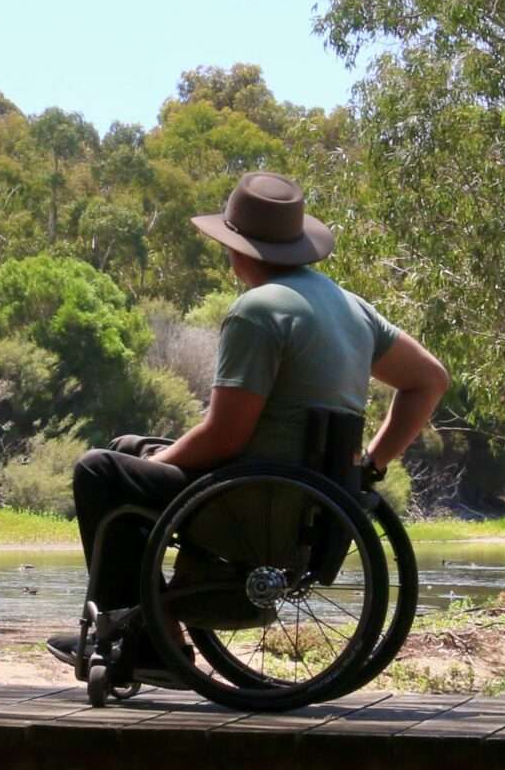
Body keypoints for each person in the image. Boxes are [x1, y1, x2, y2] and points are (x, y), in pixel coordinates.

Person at [47, 169, 449, 674]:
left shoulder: (257, 312)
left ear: (238, 249)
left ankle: (143, 642)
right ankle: (146, 624)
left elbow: (225, 436)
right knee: (129, 447)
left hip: (250, 504)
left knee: (99, 472)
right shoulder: (352, 308)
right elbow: (429, 380)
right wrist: (368, 467)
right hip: (314, 505)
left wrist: (164, 459)